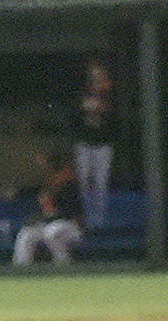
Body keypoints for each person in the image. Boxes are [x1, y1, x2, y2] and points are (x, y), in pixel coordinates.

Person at [12, 143, 83, 266]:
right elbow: (34, 192)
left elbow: (67, 213)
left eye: (46, 163)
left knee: (52, 234)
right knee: (26, 234)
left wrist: (45, 218)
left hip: (70, 225)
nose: (43, 166)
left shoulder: (68, 182)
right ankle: (21, 268)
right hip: (50, 223)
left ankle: (63, 265)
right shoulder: (49, 181)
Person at [73, 58, 118, 229]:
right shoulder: (83, 93)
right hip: (85, 143)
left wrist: (101, 109)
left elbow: (113, 118)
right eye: (94, 74)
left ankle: (99, 220)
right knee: (84, 182)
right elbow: (77, 116)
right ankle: (84, 218)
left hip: (103, 144)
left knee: (101, 183)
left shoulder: (109, 94)